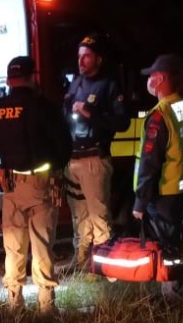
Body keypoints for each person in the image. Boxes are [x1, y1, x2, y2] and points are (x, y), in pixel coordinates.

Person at [0, 56, 72, 313]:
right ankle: (46, 305)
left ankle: (14, 302)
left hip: (11, 184)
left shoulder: (0, 107)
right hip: (39, 184)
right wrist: (59, 170)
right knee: (41, 244)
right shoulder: (44, 106)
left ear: (10, 80)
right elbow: (63, 145)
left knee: (13, 246)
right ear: (32, 77)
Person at [132, 54, 183, 304]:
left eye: (152, 76)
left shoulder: (160, 115)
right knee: (173, 244)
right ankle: (173, 289)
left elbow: (150, 163)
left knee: (166, 248)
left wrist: (140, 202)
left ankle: (171, 295)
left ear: (161, 79)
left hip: (164, 192)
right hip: (181, 187)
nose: (149, 80)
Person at [62, 33, 130, 271]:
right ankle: (81, 264)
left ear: (98, 59)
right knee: (79, 218)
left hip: (94, 159)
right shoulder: (76, 83)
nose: (81, 61)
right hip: (73, 159)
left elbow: (122, 122)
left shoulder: (109, 86)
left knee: (99, 218)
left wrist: (91, 113)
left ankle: (102, 269)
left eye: (87, 57)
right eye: (79, 56)